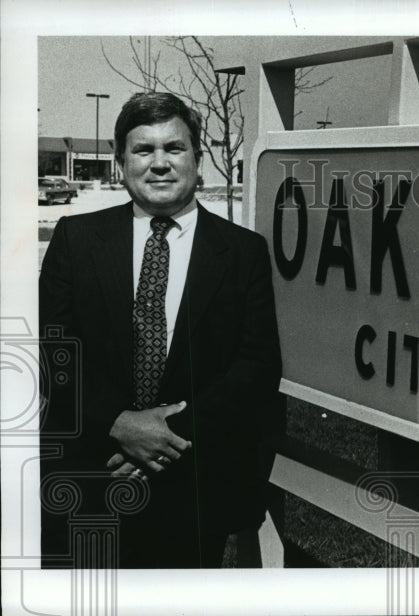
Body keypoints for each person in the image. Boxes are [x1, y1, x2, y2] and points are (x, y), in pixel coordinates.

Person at [39, 92, 282, 568]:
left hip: (191, 484)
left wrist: (165, 434)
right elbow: (52, 350)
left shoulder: (242, 252)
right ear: (121, 161)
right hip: (90, 473)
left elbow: (256, 364)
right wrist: (118, 422)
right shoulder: (76, 239)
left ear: (197, 158)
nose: (159, 164)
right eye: (143, 150)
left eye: (173, 148)